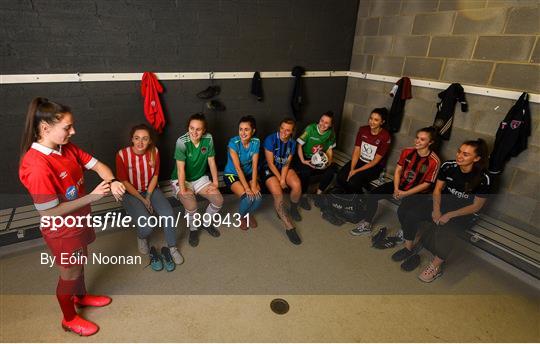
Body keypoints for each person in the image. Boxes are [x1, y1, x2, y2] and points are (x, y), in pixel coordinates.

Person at [19, 97, 126, 336]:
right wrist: (93, 196)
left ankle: (81, 296)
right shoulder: (36, 165)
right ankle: (69, 318)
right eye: (67, 127)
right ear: (45, 128)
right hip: (62, 231)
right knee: (70, 273)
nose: (73, 131)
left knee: (79, 264)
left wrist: (113, 181)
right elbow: (48, 211)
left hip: (79, 221)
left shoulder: (64, 148)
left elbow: (99, 166)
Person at [392, 139, 491, 282]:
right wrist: (436, 209)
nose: (459, 156)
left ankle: (435, 266)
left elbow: (476, 206)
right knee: (411, 213)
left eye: (466, 154)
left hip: (464, 212)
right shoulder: (448, 166)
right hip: (442, 205)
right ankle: (408, 247)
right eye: (459, 151)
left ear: (476, 158)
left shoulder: (484, 178)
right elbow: (437, 190)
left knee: (446, 233)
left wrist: (449, 215)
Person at [351, 127, 440, 242]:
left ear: (430, 142)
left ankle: (405, 231)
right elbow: (398, 170)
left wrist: (405, 193)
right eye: (417, 138)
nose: (417, 141)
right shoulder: (407, 152)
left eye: (422, 139)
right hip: (400, 185)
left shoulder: (434, 161)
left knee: (402, 212)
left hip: (417, 192)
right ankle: (367, 224)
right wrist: (396, 188)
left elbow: (427, 184)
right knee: (372, 195)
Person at [116, 124, 182, 272]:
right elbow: (124, 182)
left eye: (145, 139)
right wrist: (143, 199)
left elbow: (156, 176)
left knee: (168, 215)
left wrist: (149, 196)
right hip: (130, 193)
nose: (140, 142)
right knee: (147, 225)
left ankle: (172, 247)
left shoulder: (154, 151)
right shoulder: (122, 155)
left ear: (150, 141)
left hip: (151, 190)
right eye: (137, 138)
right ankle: (141, 237)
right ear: (131, 139)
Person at [336, 108, 391, 233]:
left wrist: (356, 172)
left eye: (376, 120)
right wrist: (352, 168)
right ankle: (350, 200)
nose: (372, 122)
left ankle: (361, 201)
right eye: (371, 118)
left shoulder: (385, 136)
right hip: (360, 160)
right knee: (341, 177)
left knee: (354, 182)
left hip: (374, 166)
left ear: (382, 122)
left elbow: (376, 161)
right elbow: (356, 151)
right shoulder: (363, 130)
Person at [171, 113, 223, 247]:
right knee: (192, 205)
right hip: (182, 179)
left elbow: (211, 162)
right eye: (191, 128)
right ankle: (193, 229)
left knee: (218, 200)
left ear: (204, 130)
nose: (194, 132)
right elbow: (180, 169)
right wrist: (183, 189)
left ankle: (206, 222)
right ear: (188, 128)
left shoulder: (208, 138)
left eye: (198, 129)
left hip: (199, 178)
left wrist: (215, 182)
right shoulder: (181, 142)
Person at [261, 118, 302, 245]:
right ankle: (289, 227)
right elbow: (270, 163)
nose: (284, 132)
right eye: (282, 128)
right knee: (278, 194)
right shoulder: (270, 139)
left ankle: (294, 208)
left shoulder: (292, 143)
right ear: (279, 127)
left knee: (297, 185)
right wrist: (280, 179)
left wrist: (283, 178)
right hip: (269, 169)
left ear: (292, 132)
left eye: (288, 130)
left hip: (282, 168)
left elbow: (286, 163)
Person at [224, 115, 262, 230]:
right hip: (232, 174)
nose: (243, 133)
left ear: (253, 131)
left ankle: (248, 213)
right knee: (247, 197)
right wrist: (247, 188)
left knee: (258, 197)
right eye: (241, 129)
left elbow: (255, 166)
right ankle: (241, 217)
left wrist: (254, 185)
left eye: (246, 129)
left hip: (249, 173)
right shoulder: (233, 143)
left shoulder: (256, 142)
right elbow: (238, 168)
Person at [294, 111, 337, 210]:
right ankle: (303, 197)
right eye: (322, 120)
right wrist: (303, 160)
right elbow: (299, 145)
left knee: (332, 169)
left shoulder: (331, 133)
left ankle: (318, 194)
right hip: (306, 157)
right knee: (306, 171)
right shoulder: (310, 128)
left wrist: (328, 162)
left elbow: (330, 149)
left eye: (326, 123)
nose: (323, 124)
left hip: (320, 158)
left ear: (330, 125)